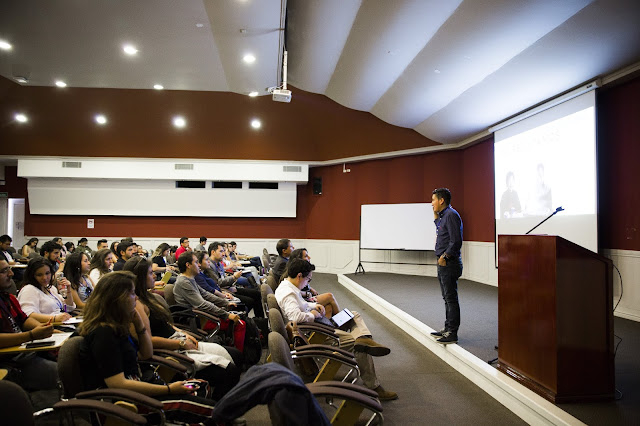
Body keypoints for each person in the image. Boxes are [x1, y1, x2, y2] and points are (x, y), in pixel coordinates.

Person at [77, 271, 217, 423]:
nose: (136, 298)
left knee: (201, 387)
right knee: (215, 412)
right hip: (124, 404)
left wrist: (140, 326)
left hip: (138, 388)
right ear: (117, 299)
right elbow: (118, 384)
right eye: (131, 293)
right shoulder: (103, 333)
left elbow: (146, 354)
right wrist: (169, 389)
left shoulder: (117, 326)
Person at [275, 258, 397, 401]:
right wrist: (312, 314)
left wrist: (314, 306)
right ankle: (374, 386)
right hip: (319, 334)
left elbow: (300, 305)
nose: (308, 283)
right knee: (359, 346)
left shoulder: (287, 287)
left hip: (320, 326)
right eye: (308, 279)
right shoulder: (289, 294)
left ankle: (363, 338)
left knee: (353, 315)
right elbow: (294, 317)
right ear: (300, 276)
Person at [123, 256, 242, 400]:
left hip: (178, 341)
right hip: (169, 352)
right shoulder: (136, 305)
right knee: (231, 371)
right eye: (150, 273)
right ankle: (216, 409)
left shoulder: (148, 297)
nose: (154, 275)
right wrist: (180, 342)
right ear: (140, 278)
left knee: (235, 355)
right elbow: (145, 342)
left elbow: (165, 324)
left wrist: (183, 333)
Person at [0, 259, 58, 391]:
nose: (11, 274)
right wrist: (30, 335)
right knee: (66, 372)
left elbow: (24, 320)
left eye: (9, 269)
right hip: (10, 361)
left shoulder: (8, 298)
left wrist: (42, 328)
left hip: (25, 351)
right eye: (4, 271)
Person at [430, 187, 463, 344]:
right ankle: (447, 328)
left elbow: (456, 241)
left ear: (441, 200)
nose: (432, 203)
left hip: (449, 263)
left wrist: (444, 256)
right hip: (444, 263)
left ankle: (452, 332)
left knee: (450, 298)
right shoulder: (444, 216)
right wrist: (436, 216)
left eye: (433, 200)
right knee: (447, 298)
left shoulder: (451, 215)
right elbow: (441, 231)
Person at [173, 252, 240, 324]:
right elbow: (201, 304)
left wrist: (226, 303)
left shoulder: (189, 279)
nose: (199, 265)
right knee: (240, 324)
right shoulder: (184, 282)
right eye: (196, 262)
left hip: (199, 314)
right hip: (195, 318)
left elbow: (206, 294)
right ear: (188, 265)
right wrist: (227, 315)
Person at [194, 251, 263, 318]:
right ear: (213, 252)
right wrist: (233, 279)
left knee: (255, 293)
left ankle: (259, 321)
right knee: (249, 297)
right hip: (223, 291)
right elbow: (214, 287)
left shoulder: (212, 267)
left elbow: (214, 286)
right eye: (221, 251)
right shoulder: (205, 271)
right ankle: (255, 322)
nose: (223, 253)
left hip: (225, 289)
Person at [281, 248, 339, 317]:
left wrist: (313, 302)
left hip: (305, 302)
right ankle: (342, 323)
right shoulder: (290, 293)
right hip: (306, 304)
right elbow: (295, 316)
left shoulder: (290, 280)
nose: (309, 258)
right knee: (329, 296)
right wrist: (313, 315)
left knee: (328, 307)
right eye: (306, 256)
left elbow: (301, 302)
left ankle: (331, 325)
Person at [17, 257, 74, 323]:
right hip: (48, 327)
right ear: (32, 275)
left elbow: (69, 307)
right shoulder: (29, 289)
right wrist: (54, 318)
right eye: (39, 275)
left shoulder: (50, 288)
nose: (44, 278)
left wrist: (68, 290)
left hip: (62, 323)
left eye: (47, 273)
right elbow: (28, 315)